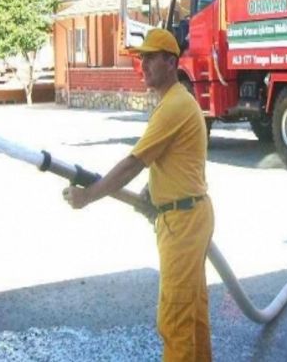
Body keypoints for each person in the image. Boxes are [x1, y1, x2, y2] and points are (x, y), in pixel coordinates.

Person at [62, 28, 215, 361]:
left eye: (149, 57)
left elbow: (132, 164)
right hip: (185, 214)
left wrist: (88, 196)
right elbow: (170, 161)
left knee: (175, 319)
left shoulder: (174, 105)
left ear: (170, 61)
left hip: (183, 222)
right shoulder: (174, 103)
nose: (142, 64)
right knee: (193, 316)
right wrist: (152, 193)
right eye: (140, 58)